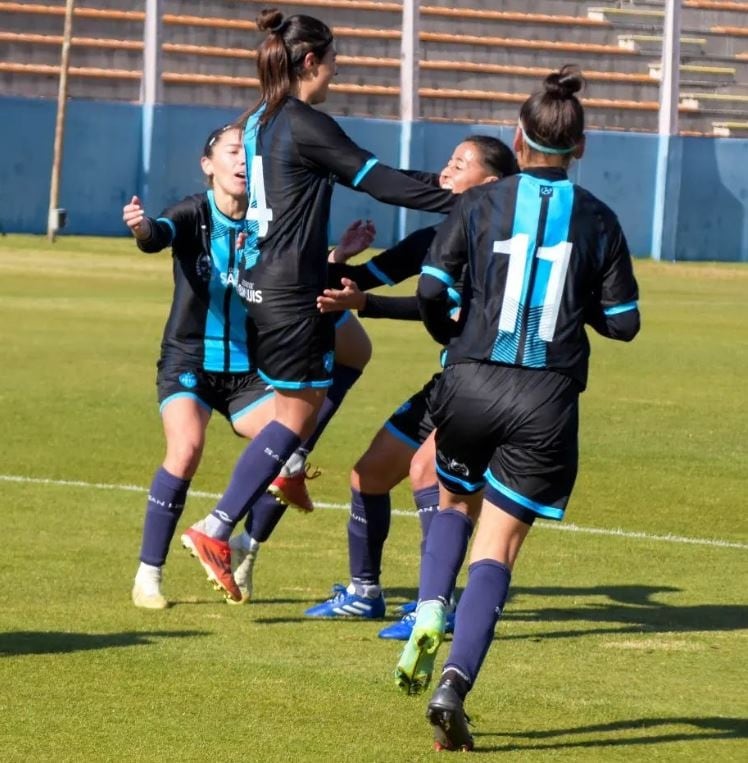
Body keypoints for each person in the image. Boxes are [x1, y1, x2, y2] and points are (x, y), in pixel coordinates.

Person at [394, 66, 640, 752]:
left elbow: (431, 289)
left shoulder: (478, 205)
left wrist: (456, 338)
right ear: (581, 147)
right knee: (497, 545)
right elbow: (625, 321)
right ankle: (454, 680)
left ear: (516, 136)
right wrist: (578, 301)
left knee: (451, 502)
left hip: (469, 381)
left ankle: (428, 608)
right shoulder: (599, 218)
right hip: (545, 399)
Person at [180, 7, 454, 602]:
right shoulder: (303, 122)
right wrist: (456, 193)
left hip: (262, 285)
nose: (335, 75)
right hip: (290, 294)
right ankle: (218, 526)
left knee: (340, 363)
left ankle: (267, 497)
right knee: (293, 422)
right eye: (332, 64)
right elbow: (377, 179)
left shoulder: (258, 119)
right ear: (310, 62)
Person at [124, 125, 375, 608]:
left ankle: (242, 547)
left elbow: (297, 274)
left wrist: (338, 256)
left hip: (250, 371)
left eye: (248, 153)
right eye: (232, 151)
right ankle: (148, 576)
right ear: (208, 164)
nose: (242, 161)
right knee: (187, 450)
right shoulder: (193, 212)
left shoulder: (270, 219)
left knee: (290, 442)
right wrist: (141, 228)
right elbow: (159, 234)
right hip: (190, 361)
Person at [303, 137, 519, 642]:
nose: (446, 169)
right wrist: (337, 257)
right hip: (450, 381)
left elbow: (443, 310)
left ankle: (434, 607)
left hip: (487, 382)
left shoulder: (497, 244)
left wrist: (367, 306)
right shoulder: (436, 235)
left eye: (460, 163)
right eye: (448, 159)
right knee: (369, 476)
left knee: (426, 472)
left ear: (488, 183)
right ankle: (364, 594)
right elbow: (358, 281)